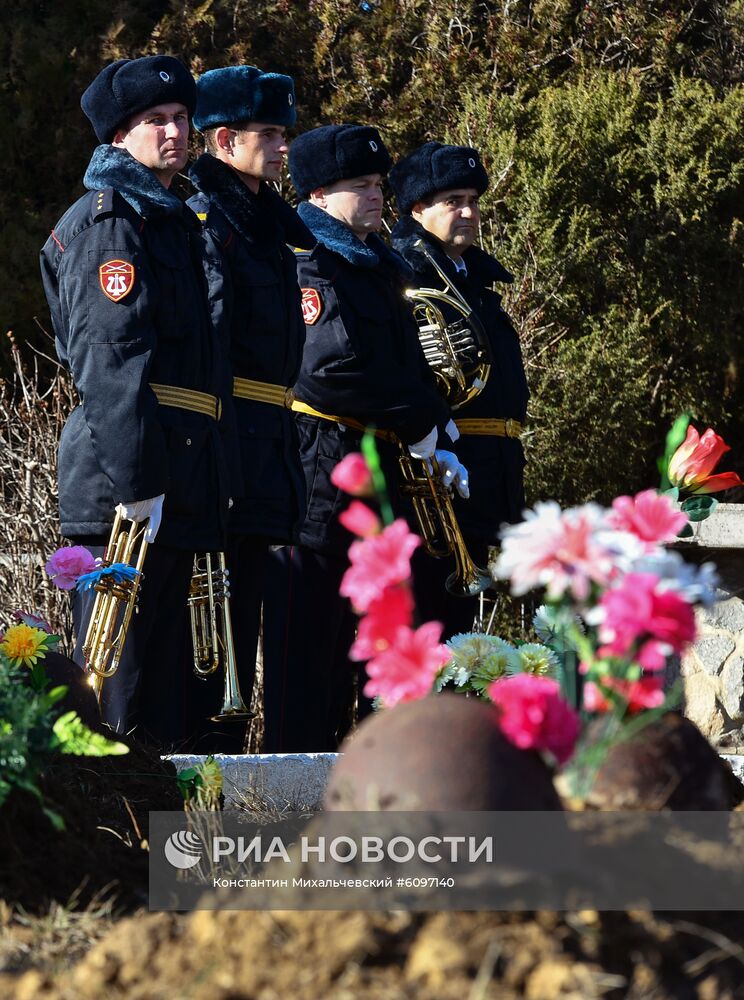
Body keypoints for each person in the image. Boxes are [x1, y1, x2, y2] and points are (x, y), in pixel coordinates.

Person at [39, 56, 235, 749]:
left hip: (178, 479)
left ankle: (171, 854)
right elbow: (110, 360)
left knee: (174, 698)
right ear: (118, 136)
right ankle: (118, 850)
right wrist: (141, 480)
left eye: (183, 118)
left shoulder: (173, 219)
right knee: (119, 696)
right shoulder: (111, 223)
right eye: (156, 121)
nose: (176, 132)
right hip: (128, 488)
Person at [262, 123, 468, 752]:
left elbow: (404, 363)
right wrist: (420, 418)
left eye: (379, 184)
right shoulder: (311, 259)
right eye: (361, 186)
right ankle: (291, 800)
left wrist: (435, 413)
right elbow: (330, 369)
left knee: (365, 653)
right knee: (308, 656)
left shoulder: (379, 264)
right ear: (320, 195)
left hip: (373, 473)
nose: (377, 196)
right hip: (320, 475)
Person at [186, 65, 314, 748]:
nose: (283, 145)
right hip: (229, 433)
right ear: (225, 139)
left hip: (269, 440)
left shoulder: (269, 222)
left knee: (250, 610)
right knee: (213, 620)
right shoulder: (208, 217)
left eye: (285, 132)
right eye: (269, 133)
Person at [389, 141, 529, 637]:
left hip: (486, 470)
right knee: (427, 620)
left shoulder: (472, 279)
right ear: (417, 209)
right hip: (437, 473)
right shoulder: (404, 274)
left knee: (462, 631)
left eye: (473, 200)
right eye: (453, 202)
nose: (469, 213)